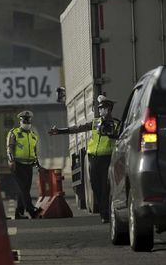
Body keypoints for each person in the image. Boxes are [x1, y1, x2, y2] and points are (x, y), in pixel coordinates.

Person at [49, 95, 120, 223]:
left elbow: (121, 138)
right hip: (93, 158)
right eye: (100, 108)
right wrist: (60, 131)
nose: (101, 110)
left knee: (105, 187)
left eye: (103, 108)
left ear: (109, 109)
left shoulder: (116, 123)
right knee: (95, 185)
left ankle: (105, 214)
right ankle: (104, 210)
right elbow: (78, 128)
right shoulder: (95, 122)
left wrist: (113, 134)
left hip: (107, 158)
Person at [6, 110, 41, 219]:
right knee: (23, 188)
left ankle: (19, 212)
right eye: (24, 120)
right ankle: (31, 210)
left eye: (28, 120)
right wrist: (11, 160)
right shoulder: (14, 133)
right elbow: (9, 147)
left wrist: (37, 163)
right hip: (18, 164)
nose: (26, 122)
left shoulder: (33, 136)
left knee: (25, 189)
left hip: (29, 165)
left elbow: (34, 151)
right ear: (20, 121)